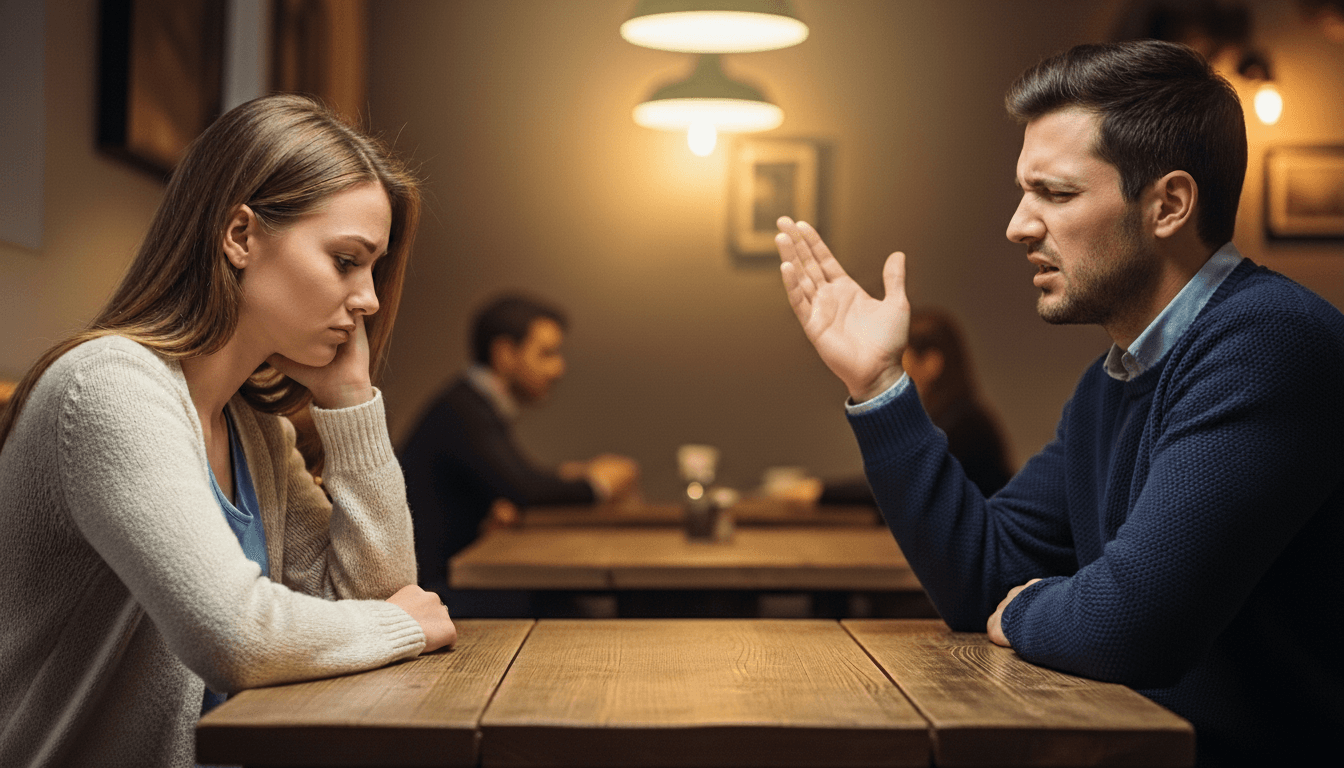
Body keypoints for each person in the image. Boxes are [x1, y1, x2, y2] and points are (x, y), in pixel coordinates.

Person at [774, 40, 1342, 765]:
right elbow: (983, 572)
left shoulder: (1267, 342)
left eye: (1057, 193)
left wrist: (1027, 608)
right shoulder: (1110, 382)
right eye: (1024, 191)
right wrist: (879, 386)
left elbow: (1132, 624)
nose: (1018, 224)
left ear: (1168, 204)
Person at [0, 94, 456, 767]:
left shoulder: (256, 433)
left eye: (374, 268)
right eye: (345, 260)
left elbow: (369, 594)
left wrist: (352, 401)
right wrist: (401, 629)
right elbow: (235, 636)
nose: (370, 299)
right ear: (240, 236)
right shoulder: (109, 391)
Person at [400, 294, 639, 599]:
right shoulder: (467, 410)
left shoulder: (471, 403)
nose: (558, 368)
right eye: (547, 354)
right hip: (435, 591)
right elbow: (523, 487)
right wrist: (599, 484)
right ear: (505, 353)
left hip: (442, 583)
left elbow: (509, 478)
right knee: (569, 603)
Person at [778, 308, 1014, 506]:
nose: (897, 368)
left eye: (902, 357)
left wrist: (820, 492)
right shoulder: (956, 416)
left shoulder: (963, 424)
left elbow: (901, 484)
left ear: (931, 363)